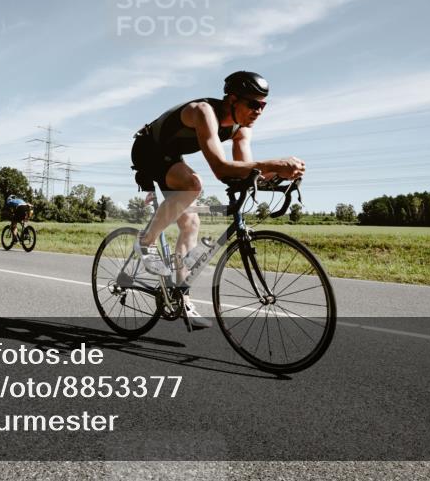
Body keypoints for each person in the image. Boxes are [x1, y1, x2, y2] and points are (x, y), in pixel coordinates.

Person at [130, 71, 305, 330]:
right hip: (148, 148)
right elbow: (221, 168)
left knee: (190, 224)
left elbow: (244, 169)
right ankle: (146, 241)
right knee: (193, 184)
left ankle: (182, 296)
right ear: (232, 100)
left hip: (171, 156)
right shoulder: (204, 112)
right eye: (253, 104)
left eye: (263, 105)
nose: (259, 111)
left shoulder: (241, 130)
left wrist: (277, 175)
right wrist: (274, 163)